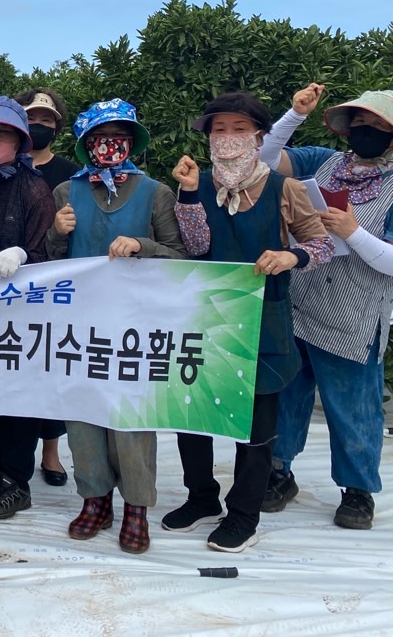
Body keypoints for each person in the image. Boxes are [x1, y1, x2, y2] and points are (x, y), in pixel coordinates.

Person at [166, 91, 334, 553]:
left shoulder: (286, 189)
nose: (228, 138)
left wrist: (290, 255)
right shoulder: (197, 185)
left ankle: (245, 515)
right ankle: (201, 497)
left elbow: (322, 246)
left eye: (239, 128)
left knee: (256, 427)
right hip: (205, 319)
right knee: (192, 417)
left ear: (259, 135)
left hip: (263, 321)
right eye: (218, 129)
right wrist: (186, 193)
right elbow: (197, 247)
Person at [46, 99, 187, 554]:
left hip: (135, 324)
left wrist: (143, 245)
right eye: (100, 136)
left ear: (132, 141)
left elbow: (181, 254)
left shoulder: (155, 192)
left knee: (131, 418)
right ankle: (95, 498)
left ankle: (137, 507)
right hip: (80, 322)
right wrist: (54, 231)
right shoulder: (67, 193)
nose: (110, 144)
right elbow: (48, 263)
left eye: (119, 135)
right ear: (87, 144)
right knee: (84, 413)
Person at [257, 84, 393, 530]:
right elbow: (264, 159)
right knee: (288, 397)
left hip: (354, 315)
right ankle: (279, 473)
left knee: (354, 406)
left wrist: (353, 232)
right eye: (359, 124)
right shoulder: (325, 162)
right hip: (302, 302)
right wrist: (294, 115)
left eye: (377, 126)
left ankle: (357, 492)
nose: (365, 132)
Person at [0, 96, 57, 520]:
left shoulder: (34, 187)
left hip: (22, 311)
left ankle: (17, 479)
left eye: (2, 134)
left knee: (19, 392)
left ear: (19, 140)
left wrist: (20, 253)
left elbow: (45, 251)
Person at [14, 88, 77, 487]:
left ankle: (51, 453)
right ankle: (12, 453)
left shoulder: (69, 172)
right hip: (7, 283)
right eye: (30, 119)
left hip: (53, 284)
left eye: (46, 121)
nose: (37, 126)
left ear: (57, 127)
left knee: (52, 365)